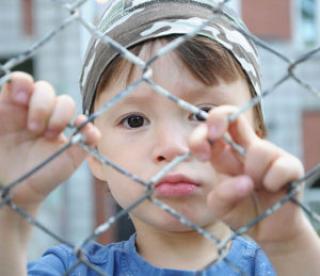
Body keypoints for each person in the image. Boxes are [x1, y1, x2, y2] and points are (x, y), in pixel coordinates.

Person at [0, 0, 320, 275]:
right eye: (135, 120)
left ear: (255, 138)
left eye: (203, 115)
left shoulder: (277, 265)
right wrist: (11, 211)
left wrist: (290, 244)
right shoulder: (74, 269)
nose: (172, 147)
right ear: (95, 153)